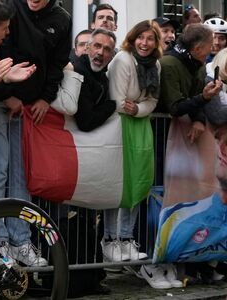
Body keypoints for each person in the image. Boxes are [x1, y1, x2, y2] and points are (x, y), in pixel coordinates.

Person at [0, 0, 69, 267]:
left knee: (21, 175)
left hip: (30, 108)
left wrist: (45, 97)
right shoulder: (9, 6)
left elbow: (57, 64)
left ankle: (20, 240)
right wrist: (6, 94)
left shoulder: (61, 18)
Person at [153, 23, 223, 289]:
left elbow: (195, 99)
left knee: (190, 197)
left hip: (186, 141)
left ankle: (190, 259)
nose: (209, 53)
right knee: (163, 196)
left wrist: (198, 118)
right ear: (197, 48)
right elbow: (175, 105)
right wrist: (202, 102)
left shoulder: (193, 62)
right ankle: (158, 260)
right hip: (162, 139)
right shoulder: (171, 64)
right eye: (207, 49)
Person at [101, 21, 163, 268]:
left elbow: (153, 101)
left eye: (150, 39)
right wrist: (139, 106)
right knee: (118, 184)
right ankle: (110, 238)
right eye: (141, 38)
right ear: (133, 38)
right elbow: (117, 101)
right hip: (118, 124)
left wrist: (137, 107)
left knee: (138, 181)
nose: (145, 43)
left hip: (139, 123)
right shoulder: (123, 60)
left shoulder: (155, 64)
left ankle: (127, 238)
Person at [71, 28, 116, 132]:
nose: (100, 52)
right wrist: (112, 105)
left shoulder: (103, 77)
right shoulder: (78, 72)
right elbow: (86, 122)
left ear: (112, 56)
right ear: (87, 48)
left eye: (107, 49)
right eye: (97, 46)